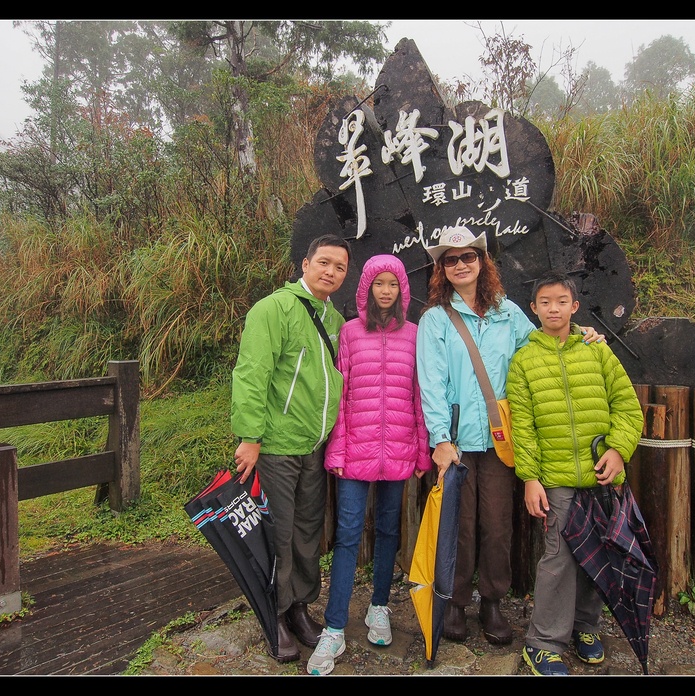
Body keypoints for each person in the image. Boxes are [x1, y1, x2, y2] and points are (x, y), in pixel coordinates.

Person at [416, 226, 603, 646]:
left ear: (482, 262)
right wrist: (440, 439)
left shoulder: (508, 312)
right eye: (451, 259)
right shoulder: (434, 320)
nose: (461, 264)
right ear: (441, 269)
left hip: (503, 440)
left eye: (469, 256)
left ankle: (493, 602)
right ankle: (457, 601)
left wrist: (581, 336)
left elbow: (540, 346)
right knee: (458, 526)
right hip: (458, 444)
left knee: (498, 526)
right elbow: (430, 381)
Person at [506, 270, 643, 675]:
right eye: (545, 302)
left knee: (598, 553)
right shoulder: (524, 361)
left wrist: (619, 450)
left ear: (574, 306)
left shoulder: (597, 351)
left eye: (561, 301)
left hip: (602, 477)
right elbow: (523, 429)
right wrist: (531, 478)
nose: (553, 308)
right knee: (559, 557)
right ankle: (544, 643)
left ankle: (586, 627)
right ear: (533, 309)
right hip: (558, 478)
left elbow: (627, 406)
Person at [307, 254, 433, 675]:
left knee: (388, 532)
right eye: (377, 283)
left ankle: (379, 606)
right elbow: (341, 397)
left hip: (398, 451)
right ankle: (335, 628)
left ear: (402, 291)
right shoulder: (349, 333)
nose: (385, 291)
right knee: (346, 536)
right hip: (356, 451)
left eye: (392, 284)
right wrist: (337, 451)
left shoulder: (415, 335)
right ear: (366, 288)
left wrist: (421, 450)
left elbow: (419, 396)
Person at [231, 234, 351, 663]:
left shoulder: (333, 319)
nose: (330, 272)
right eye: (323, 263)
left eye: (339, 267)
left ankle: (300, 607)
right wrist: (250, 437)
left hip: (314, 446)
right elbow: (251, 374)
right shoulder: (273, 309)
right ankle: (276, 615)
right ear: (304, 264)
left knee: (306, 533)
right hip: (278, 446)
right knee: (278, 535)